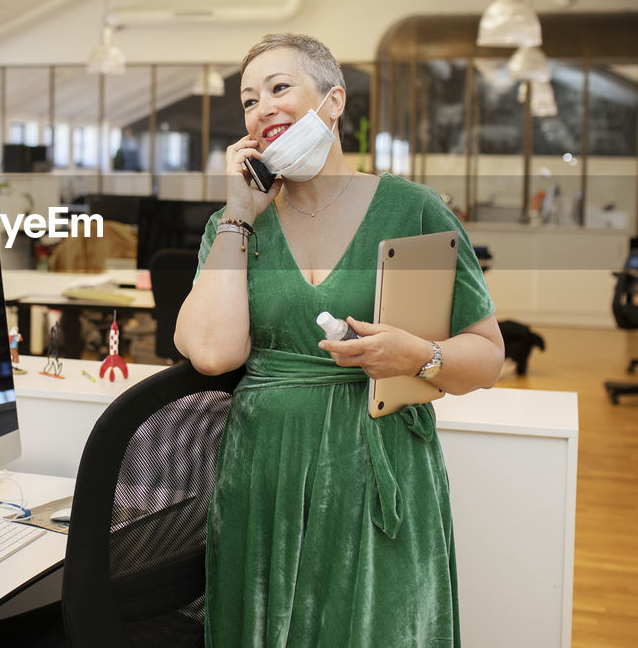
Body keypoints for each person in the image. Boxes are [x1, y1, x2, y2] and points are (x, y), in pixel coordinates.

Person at [174, 33, 504, 646]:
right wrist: (239, 214)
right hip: (264, 470)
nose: (262, 109)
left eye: (279, 89)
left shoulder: (415, 210)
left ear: (333, 101)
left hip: (377, 466)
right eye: (249, 101)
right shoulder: (238, 225)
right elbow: (215, 353)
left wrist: (419, 357)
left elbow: (485, 357)